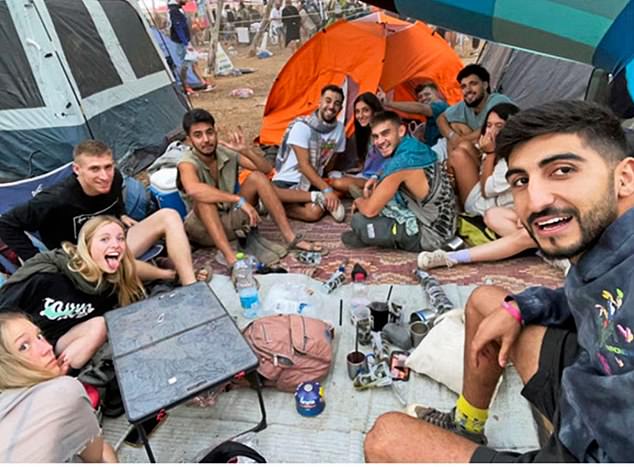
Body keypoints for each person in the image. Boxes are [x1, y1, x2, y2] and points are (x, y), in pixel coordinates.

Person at [364, 100, 634, 462]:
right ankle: (467, 424)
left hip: (592, 448)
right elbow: (583, 301)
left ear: (625, 178)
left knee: (386, 438)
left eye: (563, 170)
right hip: (584, 382)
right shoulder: (605, 249)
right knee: (487, 301)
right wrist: (521, 307)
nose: (536, 201)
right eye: (522, 180)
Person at [0, 139, 201, 287]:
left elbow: (116, 196)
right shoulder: (54, 200)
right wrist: (37, 260)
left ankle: (190, 284)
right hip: (82, 262)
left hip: (115, 242)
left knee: (169, 215)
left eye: (108, 167)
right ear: (77, 169)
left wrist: (121, 213)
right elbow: (6, 224)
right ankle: (167, 274)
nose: (104, 176)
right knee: (111, 261)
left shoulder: (114, 179)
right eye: (94, 169)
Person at [177, 109, 324, 267]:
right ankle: (231, 259)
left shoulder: (223, 151)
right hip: (203, 231)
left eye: (209, 132)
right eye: (198, 135)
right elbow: (193, 189)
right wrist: (237, 199)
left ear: (216, 132)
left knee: (257, 178)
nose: (206, 140)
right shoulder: (187, 162)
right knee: (204, 199)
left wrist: (245, 150)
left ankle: (290, 238)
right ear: (189, 140)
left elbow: (266, 169)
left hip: (230, 220)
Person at [0, 216, 144, 372]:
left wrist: (167, 274)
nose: (115, 245)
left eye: (120, 239)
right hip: (22, 350)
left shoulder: (110, 286)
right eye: (104, 239)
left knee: (100, 325)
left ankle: (58, 375)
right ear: (87, 246)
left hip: (57, 344)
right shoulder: (48, 277)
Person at [417, 102, 540, 271]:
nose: (492, 131)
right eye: (489, 125)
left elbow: (487, 189)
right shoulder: (507, 153)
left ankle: (453, 256)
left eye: (499, 126)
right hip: (510, 214)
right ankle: (452, 254)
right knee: (494, 216)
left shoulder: (516, 157)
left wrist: (490, 153)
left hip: (512, 213)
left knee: (501, 222)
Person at [0, 312, 118, 462]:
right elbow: (96, 458)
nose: (47, 347)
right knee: (105, 450)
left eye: (39, 336)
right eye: (24, 347)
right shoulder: (66, 391)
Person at [341, 111, 457, 252]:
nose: (379, 141)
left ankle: (368, 233)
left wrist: (359, 201)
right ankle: (371, 227)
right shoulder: (416, 146)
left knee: (359, 220)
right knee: (382, 198)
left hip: (432, 236)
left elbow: (370, 211)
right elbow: (392, 170)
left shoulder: (400, 164)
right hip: (448, 224)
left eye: (385, 133)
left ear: (401, 130)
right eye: (376, 136)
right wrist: (377, 177)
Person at [272, 84, 347, 222]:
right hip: (287, 181)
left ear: (340, 109)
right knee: (272, 192)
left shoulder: (340, 129)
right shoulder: (302, 127)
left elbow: (330, 162)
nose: (331, 107)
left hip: (311, 182)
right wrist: (327, 190)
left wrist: (326, 180)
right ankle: (273, 199)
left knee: (314, 213)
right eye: (328, 100)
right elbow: (304, 165)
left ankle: (271, 205)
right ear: (320, 102)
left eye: (336, 104)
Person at [437, 64, 513, 184]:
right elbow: (441, 119)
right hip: (479, 149)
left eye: (473, 84)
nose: (468, 90)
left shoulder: (498, 101)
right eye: (464, 86)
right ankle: (453, 176)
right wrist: (453, 136)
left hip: (498, 152)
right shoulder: (465, 106)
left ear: (485, 85)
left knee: (464, 146)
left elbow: (485, 130)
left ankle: (456, 176)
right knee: (455, 125)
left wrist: (461, 140)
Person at [329, 92, 385, 196]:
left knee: (337, 183)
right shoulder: (364, 134)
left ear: (375, 111)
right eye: (357, 112)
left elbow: (392, 161)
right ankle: (335, 200)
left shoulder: (384, 133)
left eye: (366, 110)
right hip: (364, 176)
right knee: (333, 175)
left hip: (379, 179)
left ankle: (369, 191)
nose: (360, 115)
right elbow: (366, 164)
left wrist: (376, 176)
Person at [168, 0, 214, 96]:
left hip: (185, 41)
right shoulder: (174, 10)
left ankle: (203, 82)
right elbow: (178, 28)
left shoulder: (178, 9)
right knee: (184, 65)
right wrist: (186, 43)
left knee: (193, 63)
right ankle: (187, 87)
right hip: (181, 43)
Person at [383, 82, 449, 147]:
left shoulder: (440, 105)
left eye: (427, 94)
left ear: (437, 94)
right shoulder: (429, 120)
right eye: (420, 97)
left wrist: (389, 103)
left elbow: (421, 108)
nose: (423, 98)